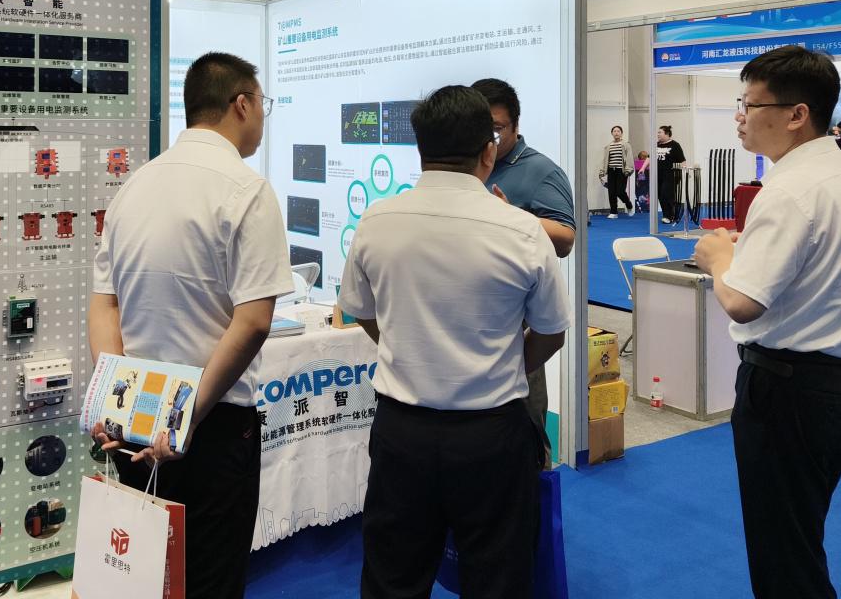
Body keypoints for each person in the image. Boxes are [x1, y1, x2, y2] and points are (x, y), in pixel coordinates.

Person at [338, 85, 572, 599]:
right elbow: (552, 331)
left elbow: (362, 312)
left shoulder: (377, 221)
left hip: (402, 432)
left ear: (421, 150)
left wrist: (405, 347)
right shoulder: (522, 231)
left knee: (392, 579)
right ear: (489, 150)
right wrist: (509, 363)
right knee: (497, 578)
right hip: (492, 434)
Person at [87, 51, 292, 599]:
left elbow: (104, 306)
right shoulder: (247, 190)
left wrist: (112, 400)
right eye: (263, 103)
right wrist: (183, 420)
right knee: (209, 577)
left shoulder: (135, 185)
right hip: (211, 420)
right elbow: (254, 321)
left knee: (142, 576)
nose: (263, 115)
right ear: (242, 104)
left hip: (135, 415)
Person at [694, 45, 841, 599]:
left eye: (750, 104)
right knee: (800, 536)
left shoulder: (787, 191)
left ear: (796, 114)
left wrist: (718, 259)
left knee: (784, 558)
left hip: (788, 391)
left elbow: (742, 302)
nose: (740, 117)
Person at [471, 77, 575, 469]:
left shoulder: (541, 171)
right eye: (482, 129)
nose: (489, 138)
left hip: (517, 326)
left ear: (516, 125)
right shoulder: (467, 166)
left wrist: (510, 216)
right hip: (469, 318)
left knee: (525, 436)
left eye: (497, 129)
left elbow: (565, 238)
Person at [600, 125, 633, 218]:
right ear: (612, 133)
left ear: (621, 133)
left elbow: (629, 158)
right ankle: (613, 212)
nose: (616, 133)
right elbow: (605, 160)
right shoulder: (608, 146)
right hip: (611, 171)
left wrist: (628, 169)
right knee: (611, 192)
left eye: (618, 131)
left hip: (621, 171)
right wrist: (602, 171)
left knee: (620, 191)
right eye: (614, 131)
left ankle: (629, 204)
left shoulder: (626, 145)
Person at [656, 126, 686, 223]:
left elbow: (682, 160)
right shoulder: (656, 144)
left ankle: (670, 216)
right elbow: (649, 157)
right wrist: (643, 168)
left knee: (666, 194)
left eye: (660, 132)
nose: (658, 134)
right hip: (658, 174)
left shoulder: (675, 145)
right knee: (660, 195)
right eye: (658, 132)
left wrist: (685, 171)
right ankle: (666, 214)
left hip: (671, 174)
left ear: (667, 134)